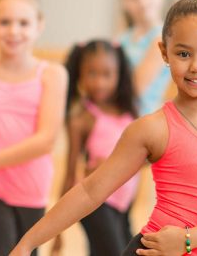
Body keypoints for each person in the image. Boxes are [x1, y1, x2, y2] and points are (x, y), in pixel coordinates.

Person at [10, 0, 197, 256]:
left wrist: (189, 239)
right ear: (164, 52)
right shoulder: (152, 128)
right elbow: (90, 191)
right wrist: (28, 243)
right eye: (183, 54)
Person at [0, 0, 67, 256]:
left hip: (31, 188)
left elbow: (45, 141)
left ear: (39, 25)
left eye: (23, 22)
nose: (13, 31)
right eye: (4, 22)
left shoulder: (52, 74)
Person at [53, 40, 139, 255]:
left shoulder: (129, 112)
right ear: (80, 74)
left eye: (107, 74)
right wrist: (57, 233)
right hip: (95, 202)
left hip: (122, 203)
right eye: (92, 74)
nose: (99, 82)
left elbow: (144, 156)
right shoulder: (82, 117)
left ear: (119, 74)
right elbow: (70, 173)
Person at [120, 0, 171, 116]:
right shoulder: (123, 39)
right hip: (118, 111)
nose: (142, 2)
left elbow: (135, 89)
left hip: (142, 118)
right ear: (124, 2)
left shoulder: (163, 39)